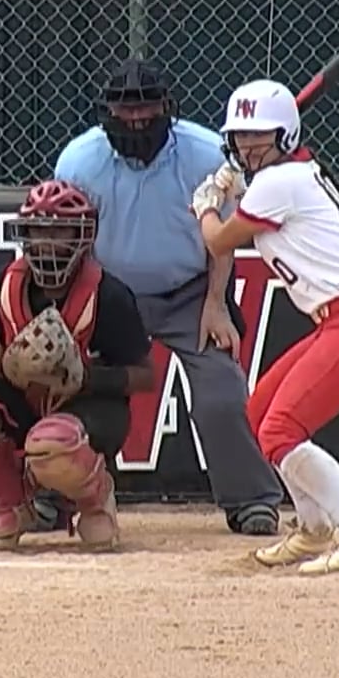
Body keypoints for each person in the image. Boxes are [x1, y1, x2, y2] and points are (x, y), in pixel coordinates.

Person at [53, 58, 287, 536]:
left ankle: (251, 501)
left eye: (147, 108)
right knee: (64, 381)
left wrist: (216, 304)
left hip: (190, 292)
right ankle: (49, 498)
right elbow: (71, 241)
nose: (137, 118)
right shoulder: (79, 159)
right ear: (107, 111)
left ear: (167, 107)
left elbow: (222, 239)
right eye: (125, 109)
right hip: (110, 293)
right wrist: (76, 311)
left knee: (221, 391)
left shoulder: (205, 154)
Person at [189, 79, 339, 575]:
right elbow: (262, 201)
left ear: (284, 134)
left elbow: (218, 241)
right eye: (240, 136)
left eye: (259, 135)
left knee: (282, 428)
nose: (247, 145)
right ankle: (313, 528)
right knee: (261, 411)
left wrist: (206, 204)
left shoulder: (279, 183)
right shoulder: (285, 177)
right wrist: (235, 187)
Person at [0, 179, 155, 551]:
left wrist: (86, 378)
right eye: (38, 230)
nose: (47, 241)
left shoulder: (108, 294)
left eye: (59, 230)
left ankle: (95, 500)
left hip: (89, 408)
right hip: (20, 401)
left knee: (52, 440)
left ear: (82, 234)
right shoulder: (5, 284)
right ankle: (12, 503)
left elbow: (146, 376)